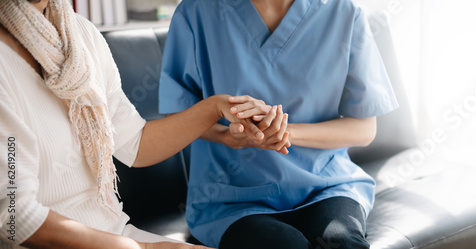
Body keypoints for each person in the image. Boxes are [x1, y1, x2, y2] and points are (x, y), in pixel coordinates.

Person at [0, 0, 275, 248]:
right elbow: (14, 216)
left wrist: (215, 107)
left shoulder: (80, 32)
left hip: (115, 232)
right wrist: (144, 248)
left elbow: (135, 142)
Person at [159, 0, 400, 248]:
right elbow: (177, 115)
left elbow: (363, 129)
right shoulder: (196, 12)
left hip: (326, 187)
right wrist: (226, 136)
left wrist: (284, 131)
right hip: (232, 199)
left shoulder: (344, 12)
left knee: (341, 242)